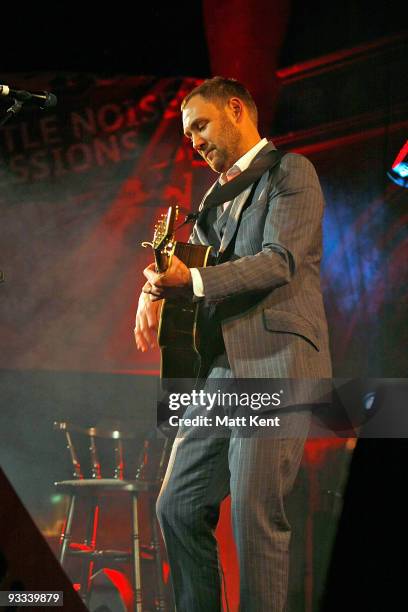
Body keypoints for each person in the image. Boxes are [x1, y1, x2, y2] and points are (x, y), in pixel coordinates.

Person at [134, 77, 332, 611]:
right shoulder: (213, 201)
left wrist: (188, 281)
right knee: (177, 504)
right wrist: (153, 289)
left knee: (252, 512)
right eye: (187, 132)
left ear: (237, 110)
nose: (193, 140)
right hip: (221, 371)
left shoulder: (291, 172)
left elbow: (278, 261)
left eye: (200, 125)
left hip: (276, 363)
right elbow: (184, 271)